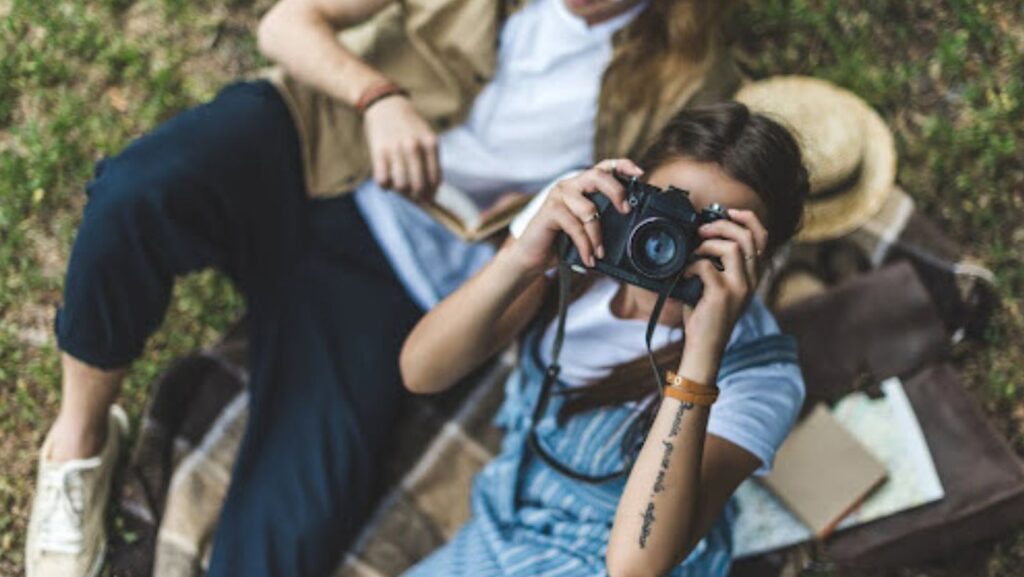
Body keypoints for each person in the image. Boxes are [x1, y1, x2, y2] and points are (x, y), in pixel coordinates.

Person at [24, 1, 741, 576]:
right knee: (135, 195)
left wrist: (540, 270)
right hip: (310, 149)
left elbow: (643, 236)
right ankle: (80, 438)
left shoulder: (685, 79)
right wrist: (377, 95)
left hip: (396, 284)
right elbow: (285, 23)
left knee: (280, 541)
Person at [399, 102, 810, 577]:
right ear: (633, 189)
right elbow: (421, 372)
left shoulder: (764, 377)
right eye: (668, 212)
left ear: (761, 254)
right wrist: (521, 262)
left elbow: (635, 567)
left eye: (712, 229)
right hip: (509, 521)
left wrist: (703, 352)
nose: (672, 243)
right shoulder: (584, 215)